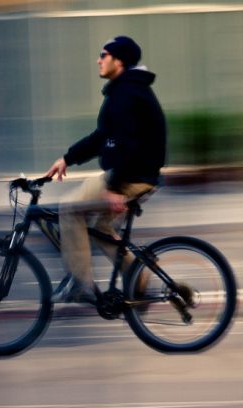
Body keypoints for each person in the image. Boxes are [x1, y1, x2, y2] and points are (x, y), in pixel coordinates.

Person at [45, 35, 166, 304]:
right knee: (101, 226)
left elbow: (127, 144)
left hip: (129, 176)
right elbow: (103, 137)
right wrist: (67, 158)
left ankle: (81, 285)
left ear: (119, 61)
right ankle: (138, 276)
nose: (98, 60)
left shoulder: (126, 94)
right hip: (133, 174)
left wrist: (112, 189)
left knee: (69, 208)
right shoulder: (125, 90)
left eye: (103, 54)